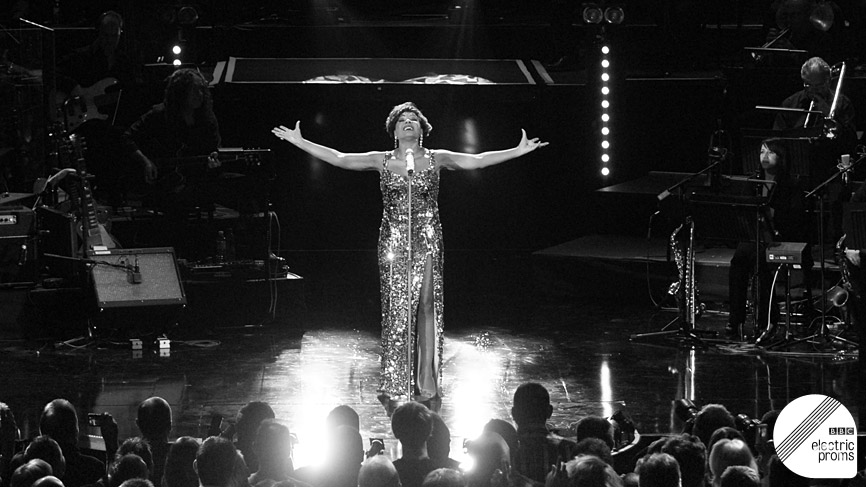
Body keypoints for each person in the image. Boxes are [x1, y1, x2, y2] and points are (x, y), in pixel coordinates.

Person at [271, 102, 547, 403]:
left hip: (428, 239)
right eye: (402, 119)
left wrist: (517, 151)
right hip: (394, 241)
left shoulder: (437, 158)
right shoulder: (381, 159)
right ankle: (395, 380)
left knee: (427, 306)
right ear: (394, 130)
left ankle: (426, 381)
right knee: (397, 309)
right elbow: (340, 158)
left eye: (413, 120)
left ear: (421, 129)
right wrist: (300, 142)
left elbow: (478, 160)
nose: (408, 122)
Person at [726, 138, 810, 342]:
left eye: (770, 152)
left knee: (762, 265)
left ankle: (768, 320)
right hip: (755, 235)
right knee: (737, 263)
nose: (764, 156)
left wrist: (773, 214)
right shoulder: (753, 182)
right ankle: (735, 319)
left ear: (781, 157)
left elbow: (797, 216)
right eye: (762, 151)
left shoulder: (791, 184)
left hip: (778, 237)